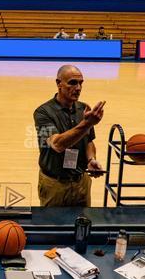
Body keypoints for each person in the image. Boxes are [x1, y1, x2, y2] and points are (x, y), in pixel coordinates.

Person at [33, 65, 106, 207]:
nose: (78, 88)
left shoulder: (84, 108)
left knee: (82, 226)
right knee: (52, 226)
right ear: (58, 83)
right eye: (72, 82)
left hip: (81, 182)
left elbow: (89, 141)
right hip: (55, 184)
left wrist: (91, 159)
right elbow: (57, 144)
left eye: (81, 83)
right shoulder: (43, 112)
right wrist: (87, 123)